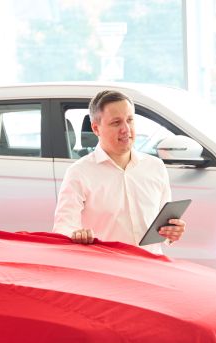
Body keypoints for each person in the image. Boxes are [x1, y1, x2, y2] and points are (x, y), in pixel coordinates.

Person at [53, 90, 185, 253]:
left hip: (151, 266)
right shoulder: (79, 173)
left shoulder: (155, 167)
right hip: (108, 270)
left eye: (129, 120)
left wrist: (171, 233)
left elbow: (163, 227)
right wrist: (76, 236)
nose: (126, 129)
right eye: (116, 123)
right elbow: (63, 228)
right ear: (96, 128)